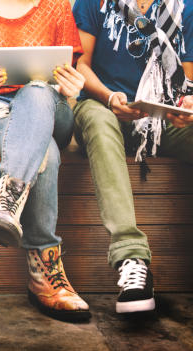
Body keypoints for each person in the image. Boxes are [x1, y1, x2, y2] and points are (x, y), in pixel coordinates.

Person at [0, 0, 91, 322]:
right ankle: (46, 276)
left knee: (38, 90)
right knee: (46, 153)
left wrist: (71, 86)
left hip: (50, 108)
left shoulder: (56, 6)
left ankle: (8, 200)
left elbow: (72, 71)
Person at [72, 0, 193, 313]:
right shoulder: (92, 3)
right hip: (103, 105)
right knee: (98, 122)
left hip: (161, 117)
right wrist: (109, 97)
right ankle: (131, 257)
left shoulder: (186, 7)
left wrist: (184, 105)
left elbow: (187, 81)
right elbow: (79, 64)